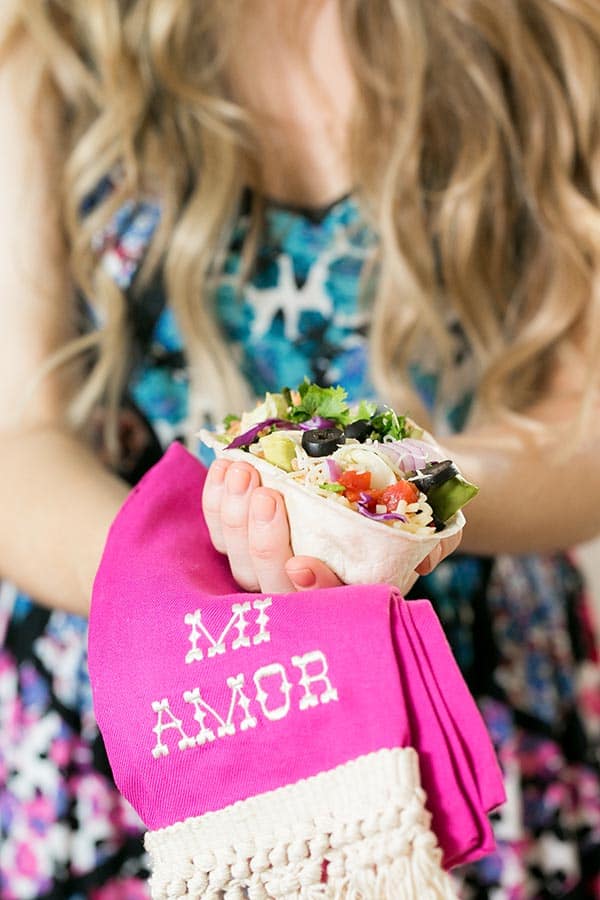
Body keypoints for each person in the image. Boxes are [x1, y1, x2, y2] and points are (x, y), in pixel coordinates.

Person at [1, 1, 599, 897]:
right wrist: (201, 582)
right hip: (158, 707)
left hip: (456, 688)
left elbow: (584, 429)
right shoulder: (52, 54)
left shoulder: (549, 36)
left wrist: (383, 514)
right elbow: (18, 438)